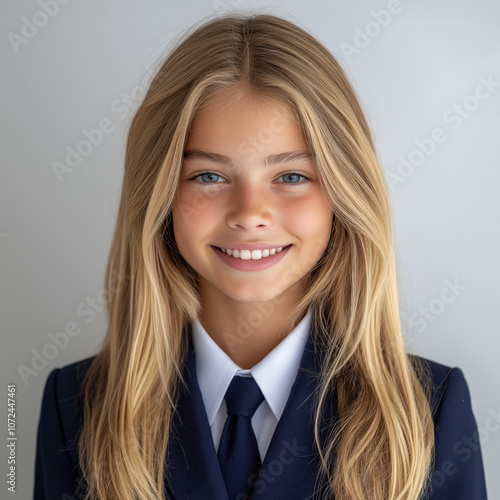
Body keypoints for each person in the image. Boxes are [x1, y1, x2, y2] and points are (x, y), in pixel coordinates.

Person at [33, 13, 488, 500]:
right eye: (209, 176)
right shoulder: (74, 408)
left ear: (343, 194)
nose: (250, 214)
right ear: (160, 196)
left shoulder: (429, 412)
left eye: (291, 176)